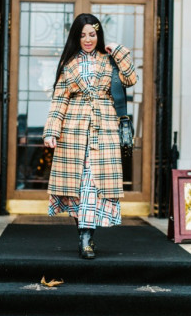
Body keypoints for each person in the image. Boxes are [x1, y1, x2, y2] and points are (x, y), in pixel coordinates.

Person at [43, 13, 137, 259]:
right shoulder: (69, 64)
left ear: (98, 35)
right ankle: (85, 236)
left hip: (104, 128)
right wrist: (52, 131)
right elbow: (59, 99)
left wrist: (117, 50)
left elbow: (131, 78)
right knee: (78, 185)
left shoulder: (109, 61)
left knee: (95, 183)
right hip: (73, 131)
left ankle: (86, 236)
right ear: (76, 36)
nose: (87, 39)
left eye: (92, 34)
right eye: (82, 35)